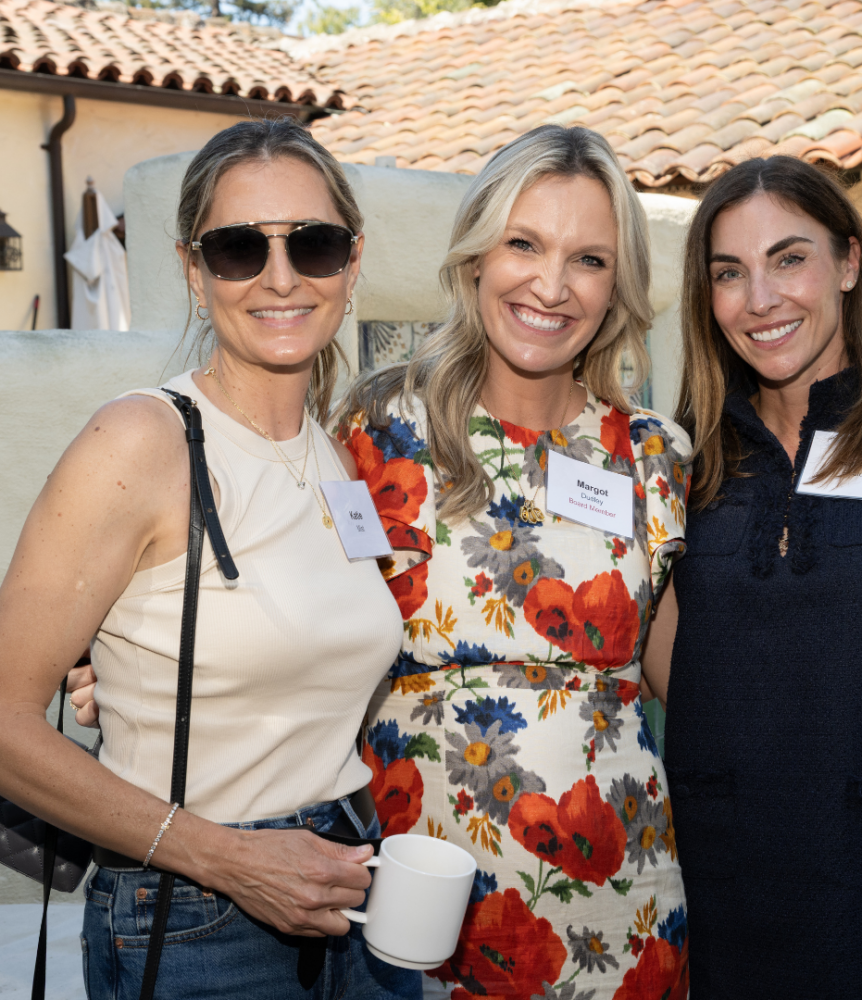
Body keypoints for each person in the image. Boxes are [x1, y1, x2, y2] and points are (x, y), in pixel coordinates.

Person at [0, 118, 421, 1000]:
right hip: (195, 913)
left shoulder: (332, 451)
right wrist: (230, 860)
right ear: (194, 272)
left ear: (350, 264)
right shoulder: (140, 439)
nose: (279, 276)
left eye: (313, 244)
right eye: (238, 249)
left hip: (352, 886)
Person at [336, 125, 692, 1000]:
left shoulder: (651, 455)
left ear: (618, 287)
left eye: (589, 260)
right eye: (523, 243)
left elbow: (687, 673)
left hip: (624, 904)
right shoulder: (379, 434)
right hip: (420, 904)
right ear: (474, 258)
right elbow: (298, 625)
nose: (550, 284)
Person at [640, 156, 862, 997]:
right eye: (729, 273)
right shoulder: (686, 461)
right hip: (720, 888)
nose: (760, 299)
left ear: (848, 261)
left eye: (789, 258)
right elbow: (673, 655)